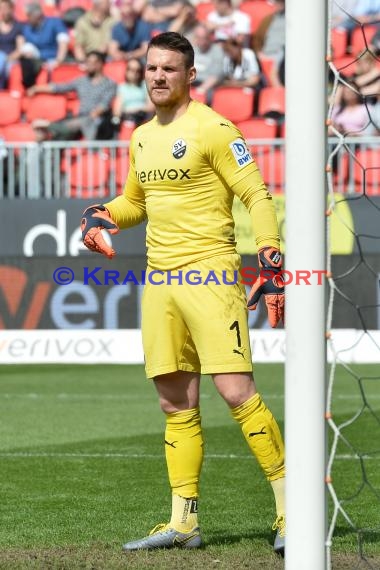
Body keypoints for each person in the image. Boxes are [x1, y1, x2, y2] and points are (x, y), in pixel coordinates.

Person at [80, 31, 286, 554]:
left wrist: (271, 256)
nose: (157, 77)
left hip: (212, 274)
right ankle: (183, 523)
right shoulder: (141, 136)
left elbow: (256, 194)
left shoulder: (216, 128)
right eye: (151, 68)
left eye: (169, 69)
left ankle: (292, 512)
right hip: (161, 281)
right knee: (175, 403)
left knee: (237, 392)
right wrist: (104, 215)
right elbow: (134, 201)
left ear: (190, 75)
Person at [27, 50, 117, 140]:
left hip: (99, 120)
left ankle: (48, 125)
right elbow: (60, 87)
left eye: (92, 62)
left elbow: (104, 104)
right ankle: (49, 142)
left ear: (100, 64)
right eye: (87, 62)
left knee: (86, 121)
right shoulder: (81, 81)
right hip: (80, 117)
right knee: (61, 136)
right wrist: (36, 88)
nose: (88, 65)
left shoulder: (109, 84)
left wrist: (94, 114)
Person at [112, 57, 154, 125]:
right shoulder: (122, 87)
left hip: (143, 118)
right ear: (126, 71)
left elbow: (151, 107)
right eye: (131, 70)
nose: (135, 73)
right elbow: (117, 111)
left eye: (138, 70)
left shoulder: (145, 85)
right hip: (127, 119)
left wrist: (137, 110)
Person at [0, 0, 24, 88]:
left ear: (12, 9)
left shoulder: (18, 27)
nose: (3, 11)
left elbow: (20, 49)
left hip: (11, 59)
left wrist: (7, 58)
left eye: (6, 8)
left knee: (5, 66)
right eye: (1, 8)